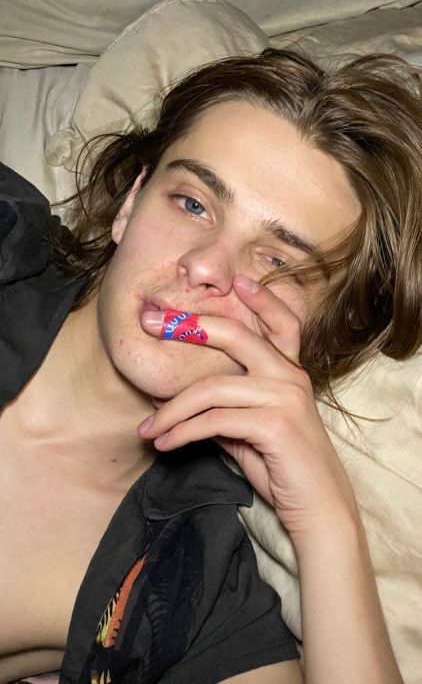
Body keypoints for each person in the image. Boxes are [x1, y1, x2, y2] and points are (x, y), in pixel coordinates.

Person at [0, 47, 420, 684]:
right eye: (192, 203)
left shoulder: (195, 580)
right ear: (130, 203)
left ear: (316, 337)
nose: (205, 266)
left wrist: (326, 520)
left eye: (278, 263)